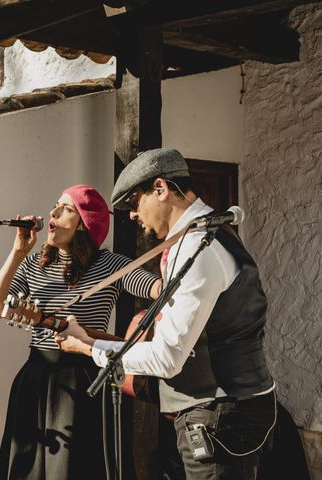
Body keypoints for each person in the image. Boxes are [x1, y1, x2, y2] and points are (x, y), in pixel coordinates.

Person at [57, 148, 276, 480]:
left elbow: (167, 358)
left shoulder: (198, 247)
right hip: (233, 407)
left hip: (218, 416)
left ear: (160, 189)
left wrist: (88, 347)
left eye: (134, 203)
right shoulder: (205, 237)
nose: (132, 215)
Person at [0, 184, 162, 480]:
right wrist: (16, 252)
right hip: (36, 377)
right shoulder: (34, 264)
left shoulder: (110, 264)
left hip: (86, 377)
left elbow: (159, 289)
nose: (52, 212)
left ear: (83, 224)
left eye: (66, 208)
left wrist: (156, 333)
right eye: (55, 205)